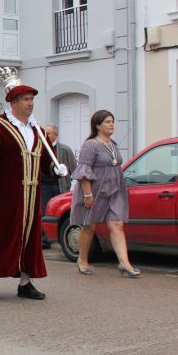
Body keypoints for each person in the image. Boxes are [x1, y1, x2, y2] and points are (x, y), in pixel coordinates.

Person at [0, 67, 68, 299]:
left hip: (31, 197)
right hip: (6, 196)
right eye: (25, 99)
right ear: (13, 102)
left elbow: (44, 162)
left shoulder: (37, 131)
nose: (30, 103)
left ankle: (25, 282)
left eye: (32, 99)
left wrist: (55, 168)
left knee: (30, 239)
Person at [70, 110, 139, 277]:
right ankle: (82, 260)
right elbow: (83, 171)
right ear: (98, 125)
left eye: (112, 121)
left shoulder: (113, 144)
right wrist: (87, 195)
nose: (112, 124)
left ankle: (125, 263)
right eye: (108, 122)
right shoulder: (90, 145)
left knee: (117, 224)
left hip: (114, 190)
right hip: (95, 191)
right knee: (89, 226)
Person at [41, 124, 77, 249]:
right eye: (44, 133)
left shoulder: (65, 149)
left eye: (49, 133)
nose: (46, 135)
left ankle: (62, 239)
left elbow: (74, 168)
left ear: (55, 134)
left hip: (60, 186)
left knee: (60, 213)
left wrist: (74, 184)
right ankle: (45, 240)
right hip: (44, 186)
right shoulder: (41, 148)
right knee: (44, 213)